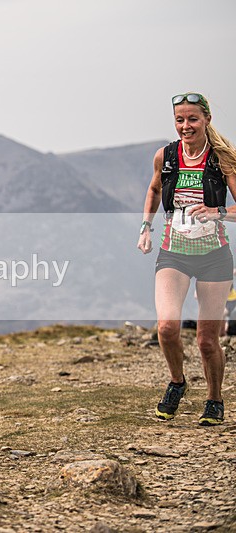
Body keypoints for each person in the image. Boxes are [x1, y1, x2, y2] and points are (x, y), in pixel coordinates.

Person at [138, 92, 236, 426]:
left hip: (214, 257)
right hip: (174, 253)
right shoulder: (166, 156)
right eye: (179, 119)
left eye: (192, 119)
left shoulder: (221, 159)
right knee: (167, 327)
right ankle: (177, 382)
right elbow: (154, 190)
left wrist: (217, 211)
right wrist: (146, 227)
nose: (185, 126)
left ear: (207, 119)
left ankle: (214, 399)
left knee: (207, 341)